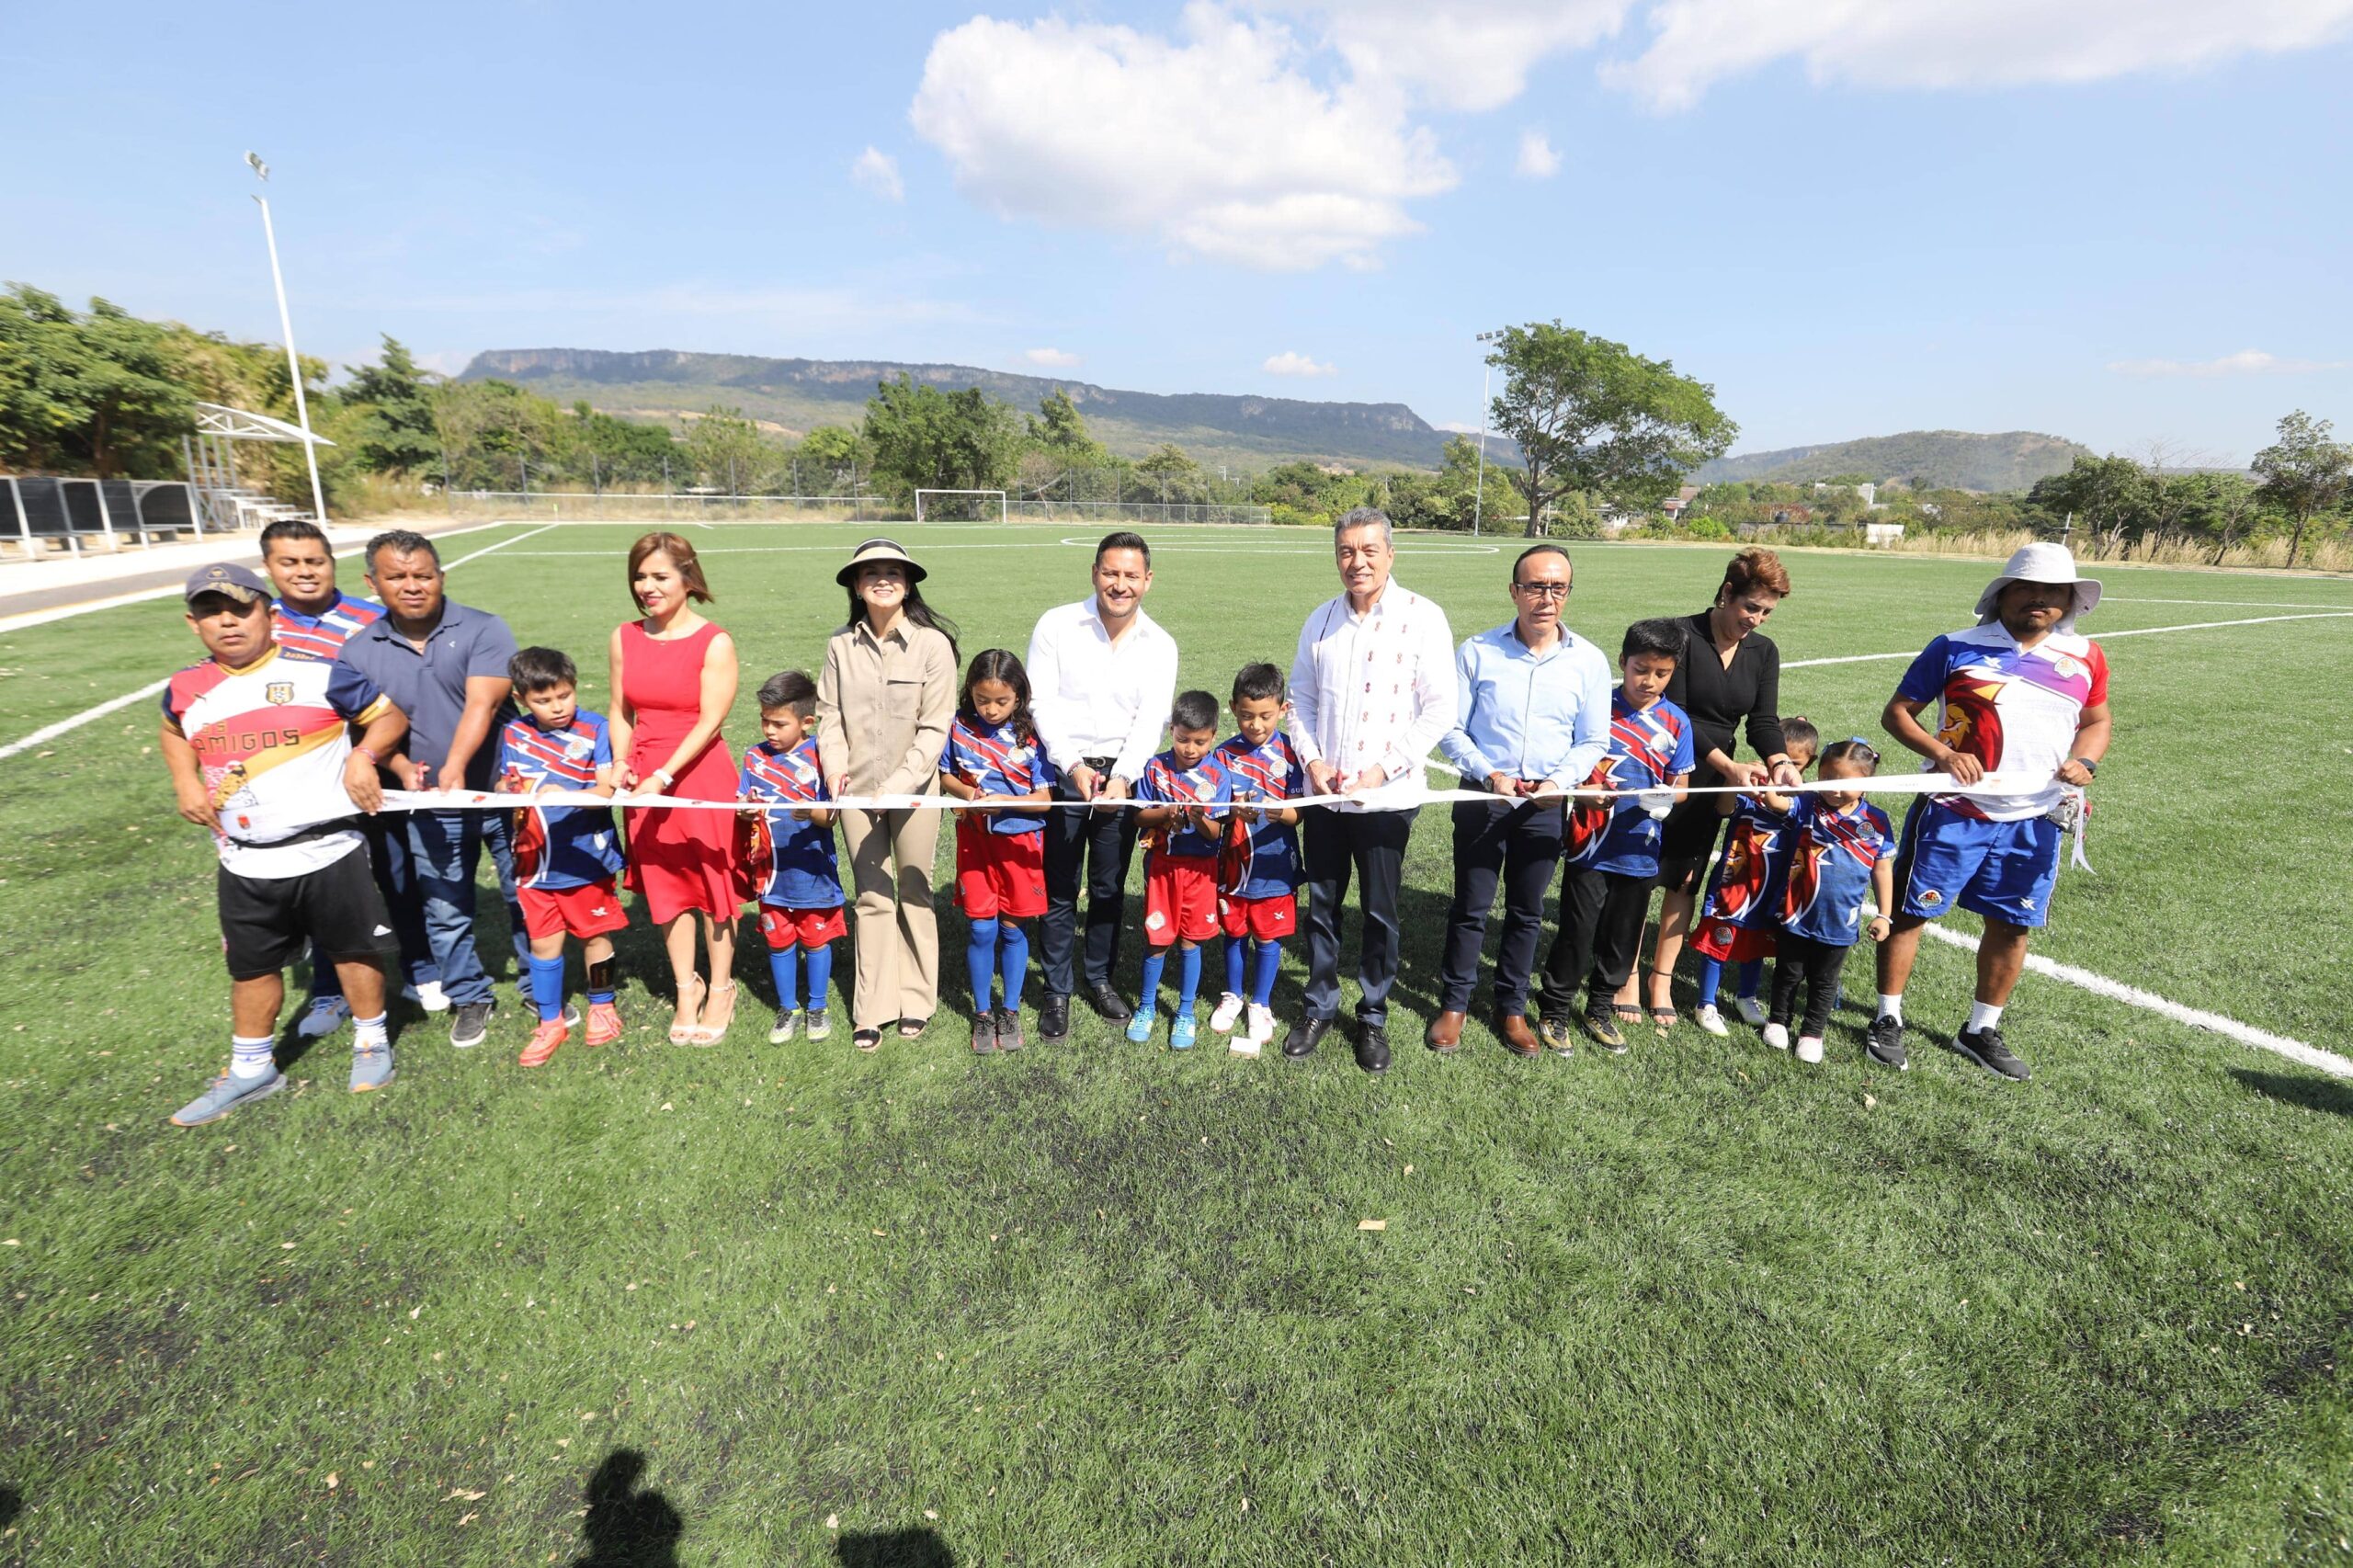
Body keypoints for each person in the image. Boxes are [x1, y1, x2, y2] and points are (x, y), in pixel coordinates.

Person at [160, 562, 408, 1124]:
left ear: (269, 616)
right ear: (192, 622)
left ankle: (372, 1041)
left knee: (352, 949)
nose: (226, 621)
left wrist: (362, 756)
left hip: (327, 848)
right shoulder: (185, 687)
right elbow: (173, 731)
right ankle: (251, 1069)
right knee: (251, 966)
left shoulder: (321, 673)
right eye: (209, 611)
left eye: (240, 609)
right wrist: (182, 780)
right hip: (243, 857)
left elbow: (388, 716)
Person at [1870, 543, 2110, 1080]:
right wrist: (1944, 754)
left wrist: (2085, 760)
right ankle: (1888, 1018)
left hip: (2037, 816)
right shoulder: (1955, 646)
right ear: (2003, 593)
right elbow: (1898, 713)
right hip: (1954, 809)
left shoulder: (2085, 657)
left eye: (2053, 592)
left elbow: (2096, 722)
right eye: (2027, 588)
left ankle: (1980, 1029)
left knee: (2011, 925)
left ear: (2069, 600)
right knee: (1911, 913)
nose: (2039, 600)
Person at [1284, 506, 1456, 1074]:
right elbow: (1301, 702)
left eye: (1368, 551)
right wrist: (1312, 761)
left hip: (1387, 799)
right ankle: (1319, 1005)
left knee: (1380, 912)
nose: (1356, 562)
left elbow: (1439, 711)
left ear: (1390, 553)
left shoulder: (1423, 617)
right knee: (1324, 906)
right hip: (1326, 798)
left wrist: (1383, 769)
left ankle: (1374, 1015)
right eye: (1345, 552)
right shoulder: (1323, 619)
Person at [339, 530, 523, 1050]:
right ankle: (469, 996)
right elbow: (369, 725)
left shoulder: (485, 628)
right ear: (372, 583)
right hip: (428, 803)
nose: (412, 586)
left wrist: (457, 766)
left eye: (423, 575)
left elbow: (481, 705)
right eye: (397, 577)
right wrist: (399, 765)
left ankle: (539, 985)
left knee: (524, 895)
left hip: (501, 792)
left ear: (441, 576)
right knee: (445, 906)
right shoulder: (357, 651)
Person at [1432, 543, 1613, 1059]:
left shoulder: (1589, 662)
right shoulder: (1477, 651)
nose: (1546, 597)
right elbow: (1450, 728)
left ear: (1568, 594)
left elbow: (1593, 740)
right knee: (1470, 905)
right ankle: (1455, 1005)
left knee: (1526, 910)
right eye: (1535, 586)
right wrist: (1490, 774)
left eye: (1557, 587)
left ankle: (1512, 1007)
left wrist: (1560, 780)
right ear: (1514, 591)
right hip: (1485, 797)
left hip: (1546, 803)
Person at [1626, 549, 1805, 1031]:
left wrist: (1780, 760)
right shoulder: (1680, 636)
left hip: (1717, 781)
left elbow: (1763, 720)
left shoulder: (1763, 651)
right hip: (1665, 767)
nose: (1757, 619)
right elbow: (1676, 712)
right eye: (1751, 607)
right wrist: (1729, 767)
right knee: (1642, 876)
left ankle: (1661, 980)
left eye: (1766, 612)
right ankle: (1626, 976)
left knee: (1685, 880)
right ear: (1727, 593)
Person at [1025, 532, 1181, 1040]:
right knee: (1061, 885)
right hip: (1064, 772)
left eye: (1131, 576)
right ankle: (1056, 990)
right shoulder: (1057, 624)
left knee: (1110, 888)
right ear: (1094, 572)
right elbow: (1041, 704)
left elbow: (1151, 719)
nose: (1120, 585)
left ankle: (1098, 978)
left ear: (1148, 581)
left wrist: (1121, 776)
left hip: (1120, 778)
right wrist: (1072, 766)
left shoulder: (1160, 644)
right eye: (1111, 573)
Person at [256, 518, 400, 1040]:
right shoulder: (261, 624)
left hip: (378, 764)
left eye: (315, 561)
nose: (304, 572)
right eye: (289, 563)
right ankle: (328, 988)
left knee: (397, 875)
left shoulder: (372, 615)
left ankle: (421, 971)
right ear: (269, 568)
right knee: (322, 887)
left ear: (332, 564)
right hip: (302, 782)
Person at [816, 538, 958, 1053]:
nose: (882, 579)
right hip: (855, 792)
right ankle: (872, 1007)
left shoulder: (932, 646)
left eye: (893, 572)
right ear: (855, 585)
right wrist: (836, 771)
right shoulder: (839, 646)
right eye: (870, 572)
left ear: (908, 583)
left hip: (914, 791)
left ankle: (917, 998)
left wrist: (897, 786)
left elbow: (935, 725)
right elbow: (829, 716)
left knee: (916, 893)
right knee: (872, 896)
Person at [1534, 618, 1694, 1055]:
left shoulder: (1677, 723)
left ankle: (1600, 1007)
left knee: (1622, 937)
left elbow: (1680, 788)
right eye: (1641, 669)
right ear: (1622, 662)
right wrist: (1584, 795)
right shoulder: (1596, 710)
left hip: (1640, 850)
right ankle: (1555, 1009)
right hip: (1590, 847)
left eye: (1661, 673)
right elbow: (1569, 769)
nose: (1649, 681)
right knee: (1576, 931)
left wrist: (1668, 800)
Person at [608, 531, 742, 1046]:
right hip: (644, 778)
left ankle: (722, 987)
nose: (647, 586)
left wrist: (665, 777)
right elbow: (622, 710)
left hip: (698, 776)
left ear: (688, 578)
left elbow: (711, 720)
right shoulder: (624, 637)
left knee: (712, 888)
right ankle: (687, 987)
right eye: (640, 577)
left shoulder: (716, 641)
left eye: (659, 576)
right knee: (666, 888)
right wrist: (622, 763)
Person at [493, 646, 628, 1069]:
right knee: (543, 943)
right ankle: (550, 1021)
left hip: (586, 858)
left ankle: (602, 1004)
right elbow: (504, 783)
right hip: (533, 862)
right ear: (521, 699)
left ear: (574, 688)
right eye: (543, 700)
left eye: (564, 696)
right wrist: (506, 791)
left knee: (595, 935)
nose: (557, 707)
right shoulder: (514, 733)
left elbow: (608, 792)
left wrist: (564, 794)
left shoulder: (595, 729)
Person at [940, 649, 1057, 1056]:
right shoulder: (957, 727)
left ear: (1019, 696)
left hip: (1020, 843)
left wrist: (1005, 802)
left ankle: (1010, 1009)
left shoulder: (1031, 734)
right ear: (969, 694)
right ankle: (983, 1012)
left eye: (1001, 701)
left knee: (1011, 928)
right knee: (980, 928)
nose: (990, 710)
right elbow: (945, 776)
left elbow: (1044, 799)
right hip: (976, 841)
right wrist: (969, 793)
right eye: (981, 700)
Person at [1760, 738, 1896, 1064]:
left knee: (1825, 981)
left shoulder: (1877, 822)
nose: (1834, 791)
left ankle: (1812, 1033)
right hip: (1796, 911)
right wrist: (1771, 780)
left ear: (1866, 783)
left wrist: (1885, 915)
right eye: (1828, 780)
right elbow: (1777, 804)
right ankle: (1778, 1019)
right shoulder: (1808, 804)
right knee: (1788, 972)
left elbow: (1882, 869)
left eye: (1845, 784)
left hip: (1840, 920)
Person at [1689, 718, 1821, 1037]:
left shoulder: (1804, 800)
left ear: (1808, 764)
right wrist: (1733, 777)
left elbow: (1790, 815)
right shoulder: (1750, 789)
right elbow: (1723, 809)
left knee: (1757, 945)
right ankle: (1706, 1003)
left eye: (1796, 764)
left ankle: (1746, 997)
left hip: (1773, 888)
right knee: (1719, 941)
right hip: (1734, 885)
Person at [737, 670, 844, 1048]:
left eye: (779, 723)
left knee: (815, 941)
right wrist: (745, 812)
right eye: (765, 720)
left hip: (812, 871)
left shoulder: (820, 756)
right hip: (770, 873)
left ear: (806, 722)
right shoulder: (753, 757)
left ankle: (817, 1006)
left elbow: (832, 816)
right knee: (778, 941)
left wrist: (809, 811)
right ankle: (788, 1007)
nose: (769, 730)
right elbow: (741, 804)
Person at [1210, 663, 1306, 1057]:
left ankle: (1261, 1003)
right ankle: (1232, 995)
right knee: (1234, 932)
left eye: (1265, 716)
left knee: (1267, 936)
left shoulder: (1291, 753)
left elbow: (1300, 813)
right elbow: (1214, 808)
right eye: (1247, 715)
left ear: (1282, 710)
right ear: (1233, 708)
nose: (1256, 724)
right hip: (1234, 864)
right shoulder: (1222, 754)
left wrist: (1276, 811)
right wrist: (1233, 810)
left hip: (1275, 866)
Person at [1129, 690, 1233, 1051]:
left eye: (1199, 741)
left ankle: (1185, 1012)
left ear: (1213, 737)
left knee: (1191, 940)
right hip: (1162, 868)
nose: (1190, 748)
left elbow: (1216, 832)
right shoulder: (1155, 767)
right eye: (1182, 739)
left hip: (1200, 872)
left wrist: (1198, 816)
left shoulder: (1218, 775)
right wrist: (1165, 815)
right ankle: (1146, 1006)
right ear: (1171, 730)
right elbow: (1139, 815)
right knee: (1157, 940)